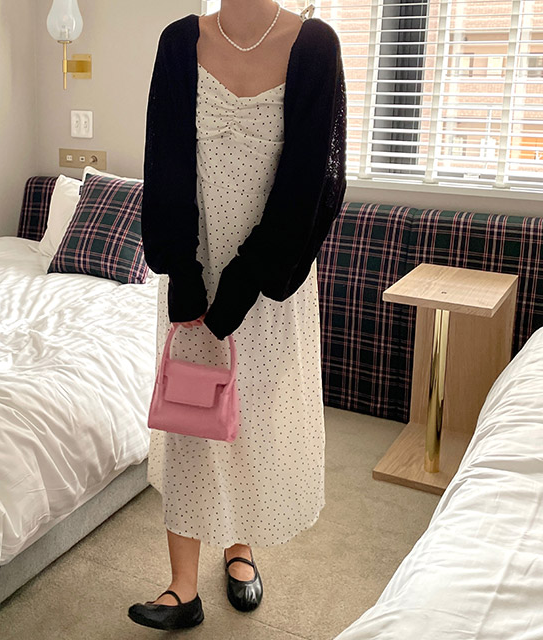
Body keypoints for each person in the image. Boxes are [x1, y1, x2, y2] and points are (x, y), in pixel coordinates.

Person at [129, 0, 346, 630]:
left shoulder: (315, 46)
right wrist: (185, 272)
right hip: (195, 270)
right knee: (190, 415)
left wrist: (247, 280)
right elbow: (162, 164)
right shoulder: (179, 42)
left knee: (252, 416)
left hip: (272, 276)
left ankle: (240, 546)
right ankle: (181, 587)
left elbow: (317, 182)